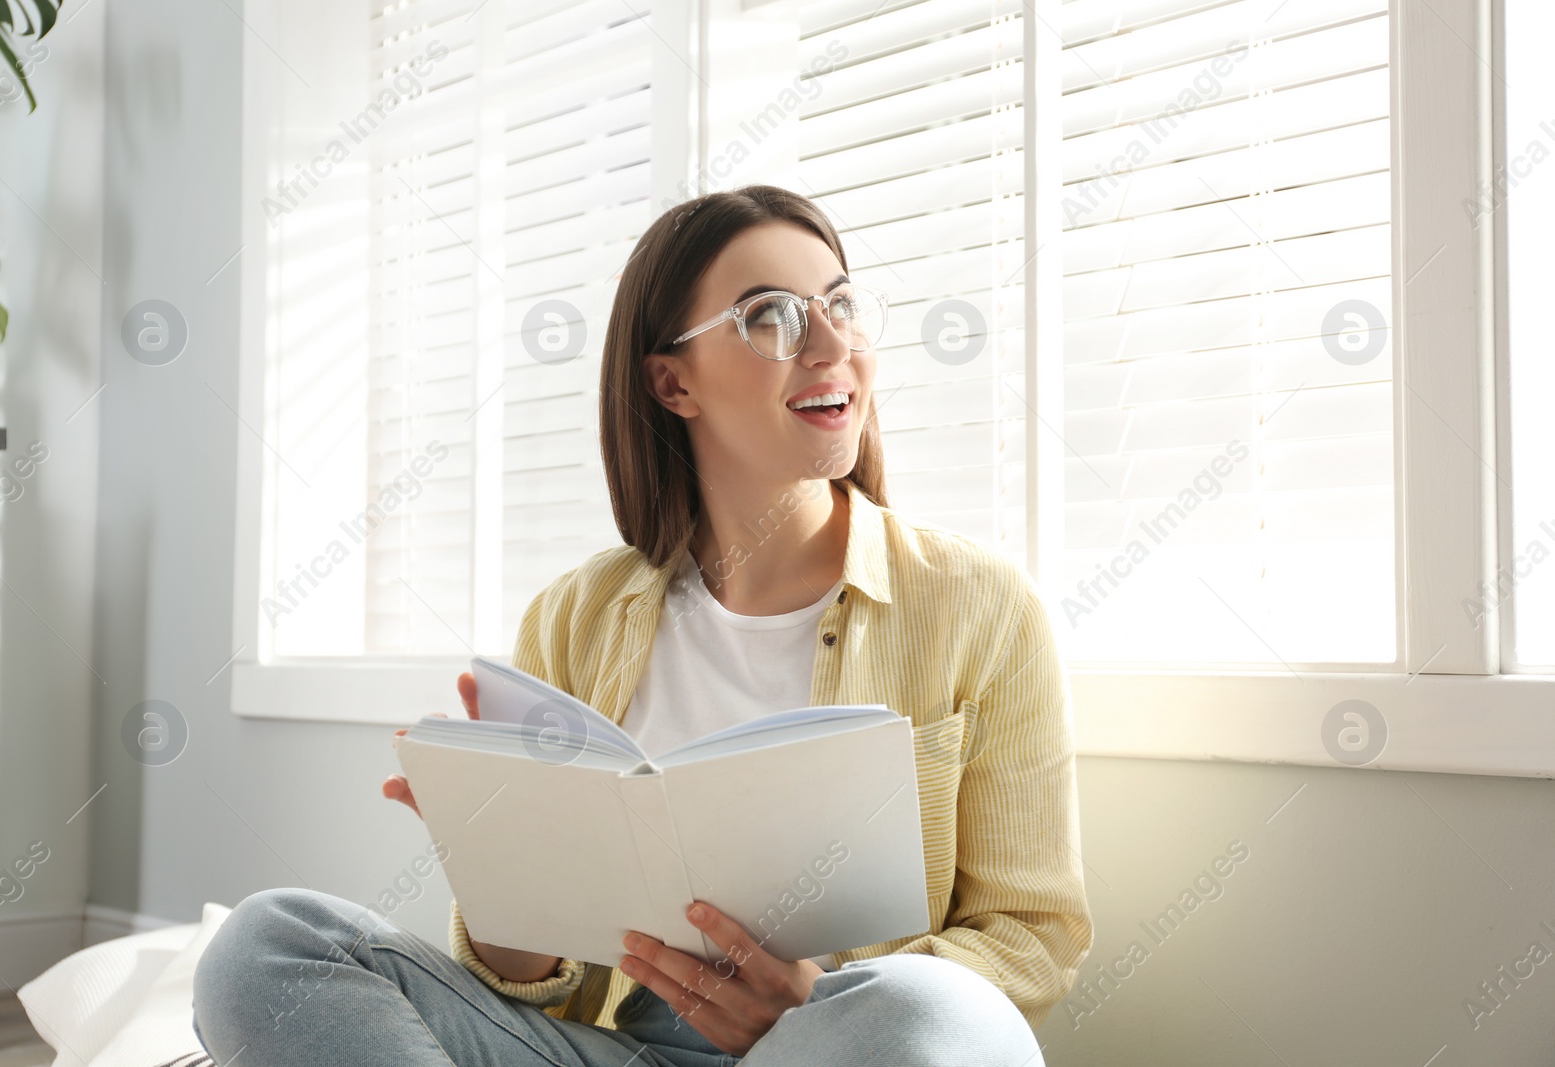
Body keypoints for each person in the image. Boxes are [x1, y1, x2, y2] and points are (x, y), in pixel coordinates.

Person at [193, 184, 1092, 1066]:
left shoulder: (980, 606)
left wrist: (809, 1004)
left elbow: (1030, 938)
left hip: (842, 1040)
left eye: (841, 306)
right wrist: (505, 868)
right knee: (268, 944)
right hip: (624, 1046)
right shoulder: (576, 618)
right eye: (772, 316)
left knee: (930, 1016)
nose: (831, 343)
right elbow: (542, 997)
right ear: (672, 382)